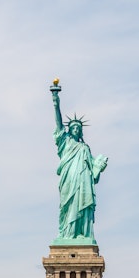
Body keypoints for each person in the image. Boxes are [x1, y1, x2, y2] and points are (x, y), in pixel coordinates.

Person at [51, 83, 108, 242]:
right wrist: (56, 101)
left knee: (82, 205)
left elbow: (93, 171)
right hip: (69, 180)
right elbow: (58, 122)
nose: (75, 129)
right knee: (68, 206)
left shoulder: (84, 148)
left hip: (83, 182)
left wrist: (99, 166)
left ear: (81, 131)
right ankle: (68, 234)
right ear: (69, 130)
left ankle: (82, 234)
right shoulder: (65, 142)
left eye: (78, 127)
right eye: (73, 127)